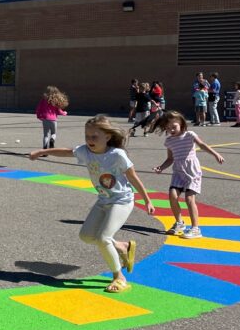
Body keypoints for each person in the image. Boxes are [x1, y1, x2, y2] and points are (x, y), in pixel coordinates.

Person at [28, 114, 154, 293]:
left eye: (94, 136)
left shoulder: (117, 154)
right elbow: (66, 152)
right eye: (87, 136)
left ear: (107, 137)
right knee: (86, 236)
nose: (90, 140)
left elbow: (133, 177)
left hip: (121, 200)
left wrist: (147, 200)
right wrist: (42, 152)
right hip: (103, 200)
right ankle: (122, 246)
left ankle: (119, 277)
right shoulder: (85, 151)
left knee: (103, 238)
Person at [150, 110, 225, 239]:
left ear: (181, 124)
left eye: (174, 127)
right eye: (168, 128)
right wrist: (161, 167)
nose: (171, 130)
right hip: (178, 172)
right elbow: (170, 159)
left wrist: (215, 154)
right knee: (172, 196)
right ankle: (179, 223)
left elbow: (202, 145)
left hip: (192, 171)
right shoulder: (169, 141)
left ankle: (195, 229)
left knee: (189, 199)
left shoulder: (189, 135)